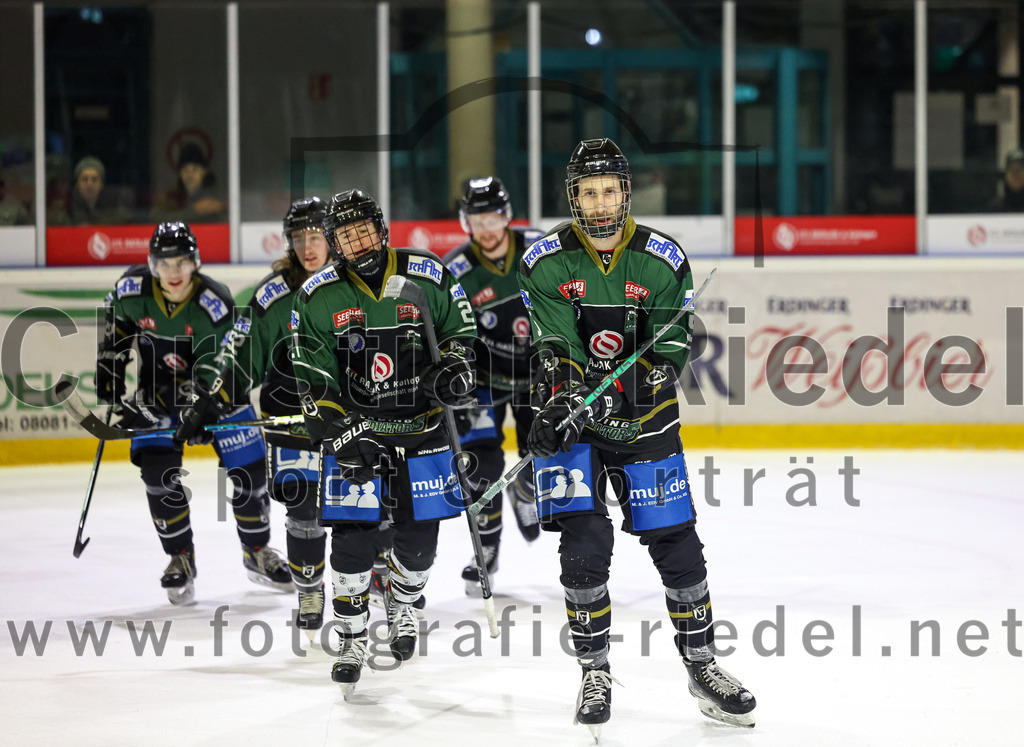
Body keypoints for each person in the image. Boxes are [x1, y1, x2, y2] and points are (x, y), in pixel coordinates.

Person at [518, 138, 756, 734]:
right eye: (588, 192)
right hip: (575, 423)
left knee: (677, 543)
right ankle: (594, 669)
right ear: (573, 197)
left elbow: (672, 340)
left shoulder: (662, 258)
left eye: (609, 190)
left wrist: (644, 381)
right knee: (583, 544)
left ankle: (702, 665)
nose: (600, 204)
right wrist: (564, 399)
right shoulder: (545, 262)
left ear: (626, 193)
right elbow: (555, 344)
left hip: (646, 424)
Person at [290, 189, 476, 692]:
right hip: (361, 433)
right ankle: (351, 635)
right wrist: (336, 432)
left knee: (420, 546)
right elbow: (313, 378)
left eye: (364, 230)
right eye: (346, 236)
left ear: (382, 228)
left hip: (423, 429)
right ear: (334, 243)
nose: (358, 242)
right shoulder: (317, 296)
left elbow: (462, 333)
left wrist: (454, 371)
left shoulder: (428, 273)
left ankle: (402, 600)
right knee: (351, 543)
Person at [96, 221, 291, 605]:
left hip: (216, 395)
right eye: (165, 263)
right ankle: (180, 557)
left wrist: (198, 412)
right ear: (152, 264)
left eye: (182, 262)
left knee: (250, 470)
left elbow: (215, 371)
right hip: (156, 396)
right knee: (157, 470)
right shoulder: (129, 292)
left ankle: (256, 551)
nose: (174, 272)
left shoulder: (212, 303)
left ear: (195, 262)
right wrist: (111, 387)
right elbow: (113, 339)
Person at [174, 198, 333, 634]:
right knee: (304, 509)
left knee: (367, 503)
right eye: (298, 238)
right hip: (292, 420)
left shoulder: (355, 281)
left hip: (349, 419)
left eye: (315, 236)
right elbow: (240, 360)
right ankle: (310, 587)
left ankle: (371, 574)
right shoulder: (273, 295)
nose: (307, 246)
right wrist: (213, 401)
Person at [442, 176, 543, 593]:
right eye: (476, 219)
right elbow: (445, 331)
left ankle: (526, 487)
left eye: (493, 217)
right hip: (482, 381)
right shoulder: (456, 270)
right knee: (481, 467)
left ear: (507, 216)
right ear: (466, 222)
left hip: (538, 375)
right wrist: (454, 380)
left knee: (540, 449)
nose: (486, 228)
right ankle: (485, 550)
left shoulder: (539, 251)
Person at [152, 143, 226, 222]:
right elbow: (155, 217)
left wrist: (221, 207)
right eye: (185, 170)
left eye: (195, 169)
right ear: (179, 174)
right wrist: (194, 211)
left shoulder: (216, 194)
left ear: (204, 172)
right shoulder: (171, 197)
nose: (190, 174)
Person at [62, 156, 132, 225]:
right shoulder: (66, 209)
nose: (89, 184)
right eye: (84, 179)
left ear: (101, 184)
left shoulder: (115, 210)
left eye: (94, 179)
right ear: (77, 184)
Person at [988, 148, 1024, 212]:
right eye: (1012, 171)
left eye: (1019, 171)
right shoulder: (995, 208)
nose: (1016, 175)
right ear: (1005, 175)